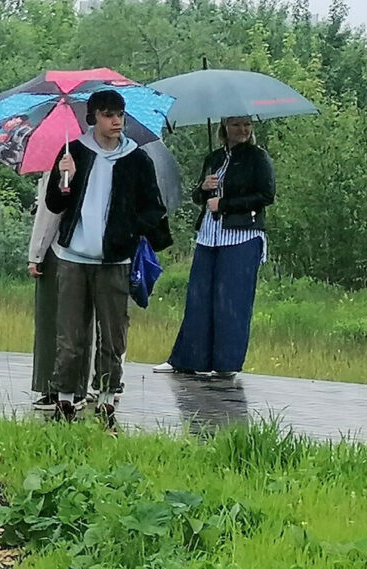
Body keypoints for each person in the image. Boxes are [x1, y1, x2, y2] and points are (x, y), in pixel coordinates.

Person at [40, 88, 170, 429]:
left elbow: (153, 209)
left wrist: (129, 231)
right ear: (93, 117)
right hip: (72, 257)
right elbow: (55, 204)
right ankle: (65, 400)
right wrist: (62, 177)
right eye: (108, 114)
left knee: (113, 336)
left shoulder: (137, 159)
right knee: (71, 336)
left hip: (114, 260)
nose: (116, 121)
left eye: (120, 114)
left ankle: (107, 399)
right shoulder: (74, 152)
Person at [163, 116, 276, 378]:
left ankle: (226, 365)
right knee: (199, 298)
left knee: (232, 301)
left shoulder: (257, 158)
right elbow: (198, 197)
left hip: (241, 236)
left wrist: (224, 205)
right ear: (224, 126)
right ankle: (188, 359)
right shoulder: (214, 158)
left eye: (247, 124)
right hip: (209, 235)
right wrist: (203, 189)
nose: (243, 129)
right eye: (237, 124)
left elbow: (266, 196)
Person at [26, 183, 66, 411]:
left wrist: (36, 254)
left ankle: (52, 386)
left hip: (57, 248)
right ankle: (88, 385)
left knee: (50, 320)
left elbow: (49, 214)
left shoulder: (62, 162)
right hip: (90, 249)